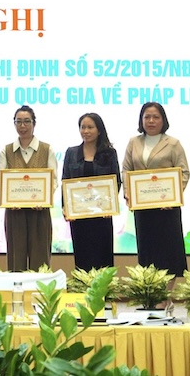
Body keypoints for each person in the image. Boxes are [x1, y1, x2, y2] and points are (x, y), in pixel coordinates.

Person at [122, 102, 190, 278]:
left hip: (166, 208)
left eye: (155, 117)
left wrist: (173, 198)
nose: (151, 121)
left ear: (163, 120)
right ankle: (149, 291)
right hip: (143, 207)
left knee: (168, 253)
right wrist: (128, 193)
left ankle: (166, 293)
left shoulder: (173, 143)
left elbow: (184, 172)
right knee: (147, 251)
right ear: (141, 120)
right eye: (147, 117)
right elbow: (127, 170)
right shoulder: (134, 142)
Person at [0, 105, 58, 272]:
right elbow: (1, 181)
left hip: (40, 212)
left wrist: (44, 199)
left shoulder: (46, 149)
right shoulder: (6, 150)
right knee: (16, 259)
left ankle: (39, 289)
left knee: (40, 258)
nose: (22, 126)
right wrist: (9, 200)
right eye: (18, 122)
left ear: (34, 123)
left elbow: (53, 180)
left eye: (26, 121)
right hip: (14, 212)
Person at [62, 112, 121, 271]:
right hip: (79, 216)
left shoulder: (109, 153)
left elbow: (116, 181)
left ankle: (104, 287)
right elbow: (65, 180)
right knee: (82, 258)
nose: (86, 131)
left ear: (99, 130)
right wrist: (66, 207)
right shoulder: (71, 153)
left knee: (103, 258)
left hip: (102, 215)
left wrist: (110, 205)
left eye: (90, 127)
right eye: (83, 127)